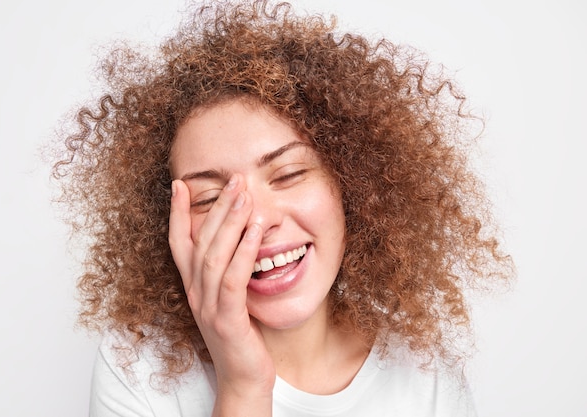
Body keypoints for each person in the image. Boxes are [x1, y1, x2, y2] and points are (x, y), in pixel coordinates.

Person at [52, 1, 513, 415]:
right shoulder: (136, 366)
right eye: (211, 200)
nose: (256, 221)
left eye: (289, 175)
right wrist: (243, 387)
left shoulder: (425, 374)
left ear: (351, 185)